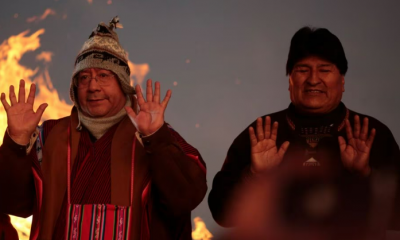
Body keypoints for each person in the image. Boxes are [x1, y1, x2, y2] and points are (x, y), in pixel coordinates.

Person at [0, 17, 207, 240]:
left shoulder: (154, 134)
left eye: (104, 76)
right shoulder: (47, 136)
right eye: (84, 77)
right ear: (75, 88)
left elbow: (186, 199)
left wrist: (157, 140)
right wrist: (16, 142)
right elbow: (14, 203)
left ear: (123, 84)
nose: (93, 86)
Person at [208, 27, 400, 239]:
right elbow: (221, 216)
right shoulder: (261, 134)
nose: (313, 79)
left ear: (343, 81)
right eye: (302, 70)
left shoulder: (372, 134)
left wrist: (365, 176)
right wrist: (254, 175)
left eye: (325, 70)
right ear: (289, 80)